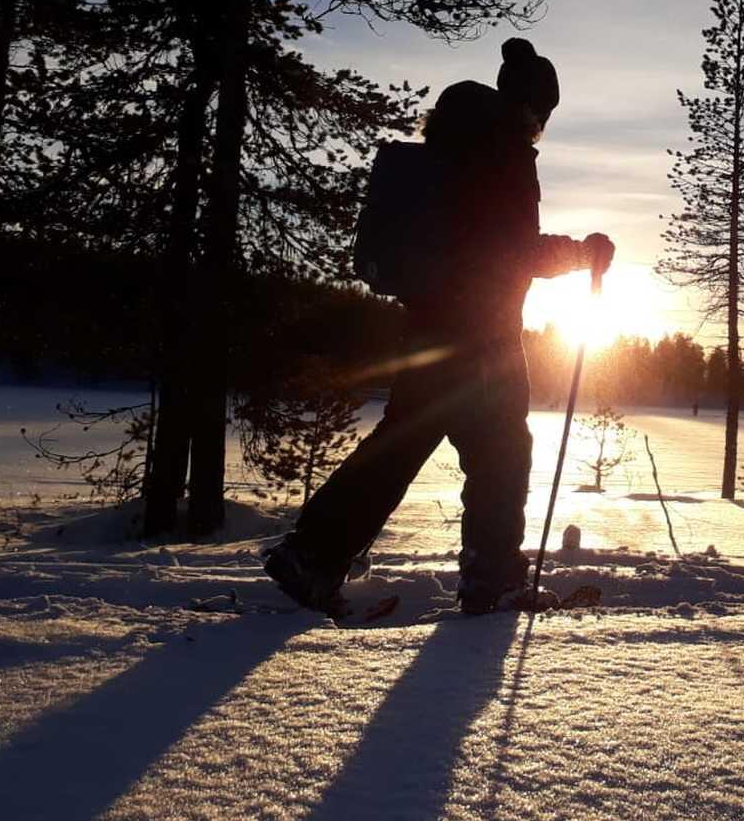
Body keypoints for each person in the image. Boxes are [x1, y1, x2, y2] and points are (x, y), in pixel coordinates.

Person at [263, 39, 616, 615]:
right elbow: (511, 252)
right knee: (501, 455)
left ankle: (314, 555)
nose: (540, 127)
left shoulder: (452, 146)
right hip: (482, 337)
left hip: (430, 329)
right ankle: (492, 579)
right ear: (533, 108)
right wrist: (582, 253)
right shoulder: (504, 153)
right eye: (543, 116)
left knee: (404, 444)